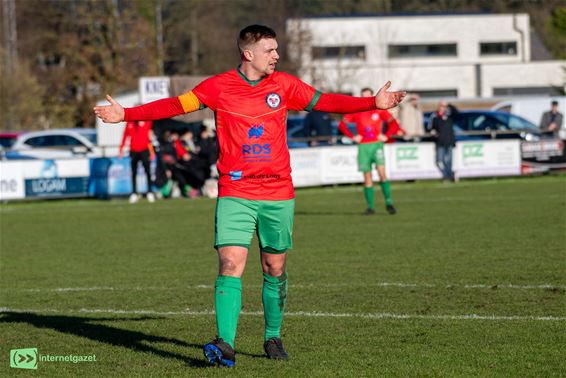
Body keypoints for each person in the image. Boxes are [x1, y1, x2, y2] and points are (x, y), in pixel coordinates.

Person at [94, 24, 405, 367]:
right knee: (230, 264)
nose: (276, 55)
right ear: (248, 53)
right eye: (270, 50)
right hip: (236, 191)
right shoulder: (217, 87)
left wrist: (370, 103)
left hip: (278, 192)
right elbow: (174, 106)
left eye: (276, 49)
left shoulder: (285, 85)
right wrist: (126, 114)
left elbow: (325, 102)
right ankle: (225, 343)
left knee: (274, 267)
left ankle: (273, 335)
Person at [338, 87, 404, 215]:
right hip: (363, 147)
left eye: (368, 96)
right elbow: (342, 125)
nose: (365, 98)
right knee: (367, 177)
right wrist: (353, 136)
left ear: (372, 96)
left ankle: (389, 203)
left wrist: (386, 135)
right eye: (363, 96)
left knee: (382, 173)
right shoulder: (356, 110)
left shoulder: (379, 110)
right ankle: (370, 207)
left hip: (376, 145)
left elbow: (394, 124)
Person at [119, 119, 155, 203]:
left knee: (148, 172)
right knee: (133, 172)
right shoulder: (130, 123)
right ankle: (134, 193)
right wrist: (121, 148)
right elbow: (125, 135)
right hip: (133, 151)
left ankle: (149, 192)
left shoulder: (148, 122)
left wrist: (152, 151)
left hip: (145, 150)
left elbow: (152, 133)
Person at [428, 101, 458, 182]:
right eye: (441, 106)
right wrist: (433, 132)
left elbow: (456, 112)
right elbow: (430, 128)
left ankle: (448, 176)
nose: (443, 108)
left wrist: (449, 104)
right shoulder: (434, 116)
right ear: (438, 107)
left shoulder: (449, 116)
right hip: (440, 142)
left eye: (444, 106)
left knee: (449, 160)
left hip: (449, 141)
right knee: (439, 161)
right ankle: (450, 174)